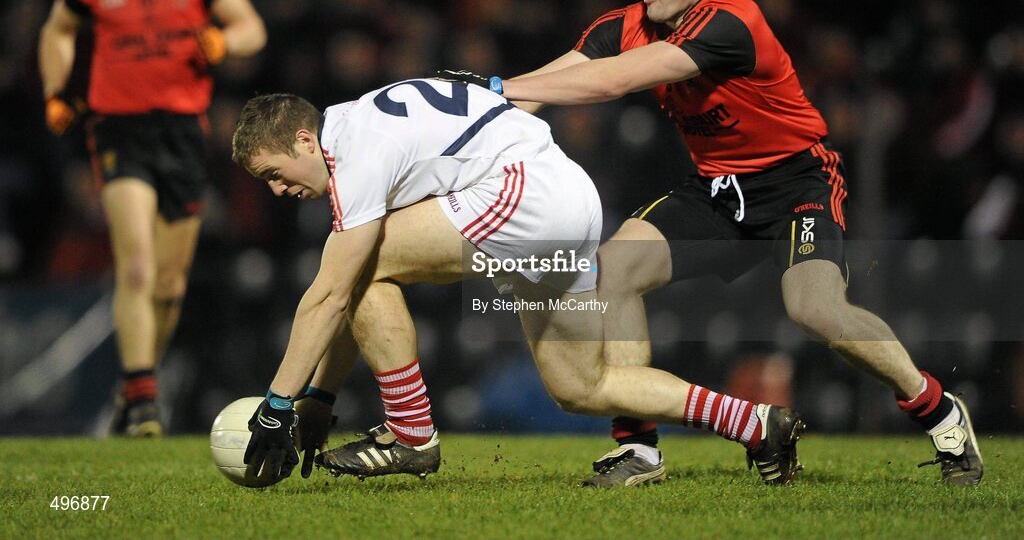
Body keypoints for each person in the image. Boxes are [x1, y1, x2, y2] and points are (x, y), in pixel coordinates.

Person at [437, 0, 984, 487]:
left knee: (815, 309)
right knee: (613, 270)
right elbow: (542, 90)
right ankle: (639, 450)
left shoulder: (733, 19)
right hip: (717, 191)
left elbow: (611, 81)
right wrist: (470, 118)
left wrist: (497, 84)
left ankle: (940, 412)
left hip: (794, 183)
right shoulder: (622, 24)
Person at [231, 82, 805, 485]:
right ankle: (754, 423)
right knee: (582, 385)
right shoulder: (364, 122)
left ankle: (410, 434)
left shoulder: (352, 153)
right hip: (571, 200)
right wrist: (321, 398)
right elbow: (347, 297)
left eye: (275, 174)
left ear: (305, 141)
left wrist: (280, 404)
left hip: (524, 197)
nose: (279, 190)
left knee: (358, 262)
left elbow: (331, 295)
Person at [38, 0, 266, 437]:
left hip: (183, 133)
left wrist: (221, 40)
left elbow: (251, 29)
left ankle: (132, 385)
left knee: (169, 286)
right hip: (118, 130)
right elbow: (56, 31)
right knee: (135, 265)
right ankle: (143, 401)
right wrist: (55, 90)